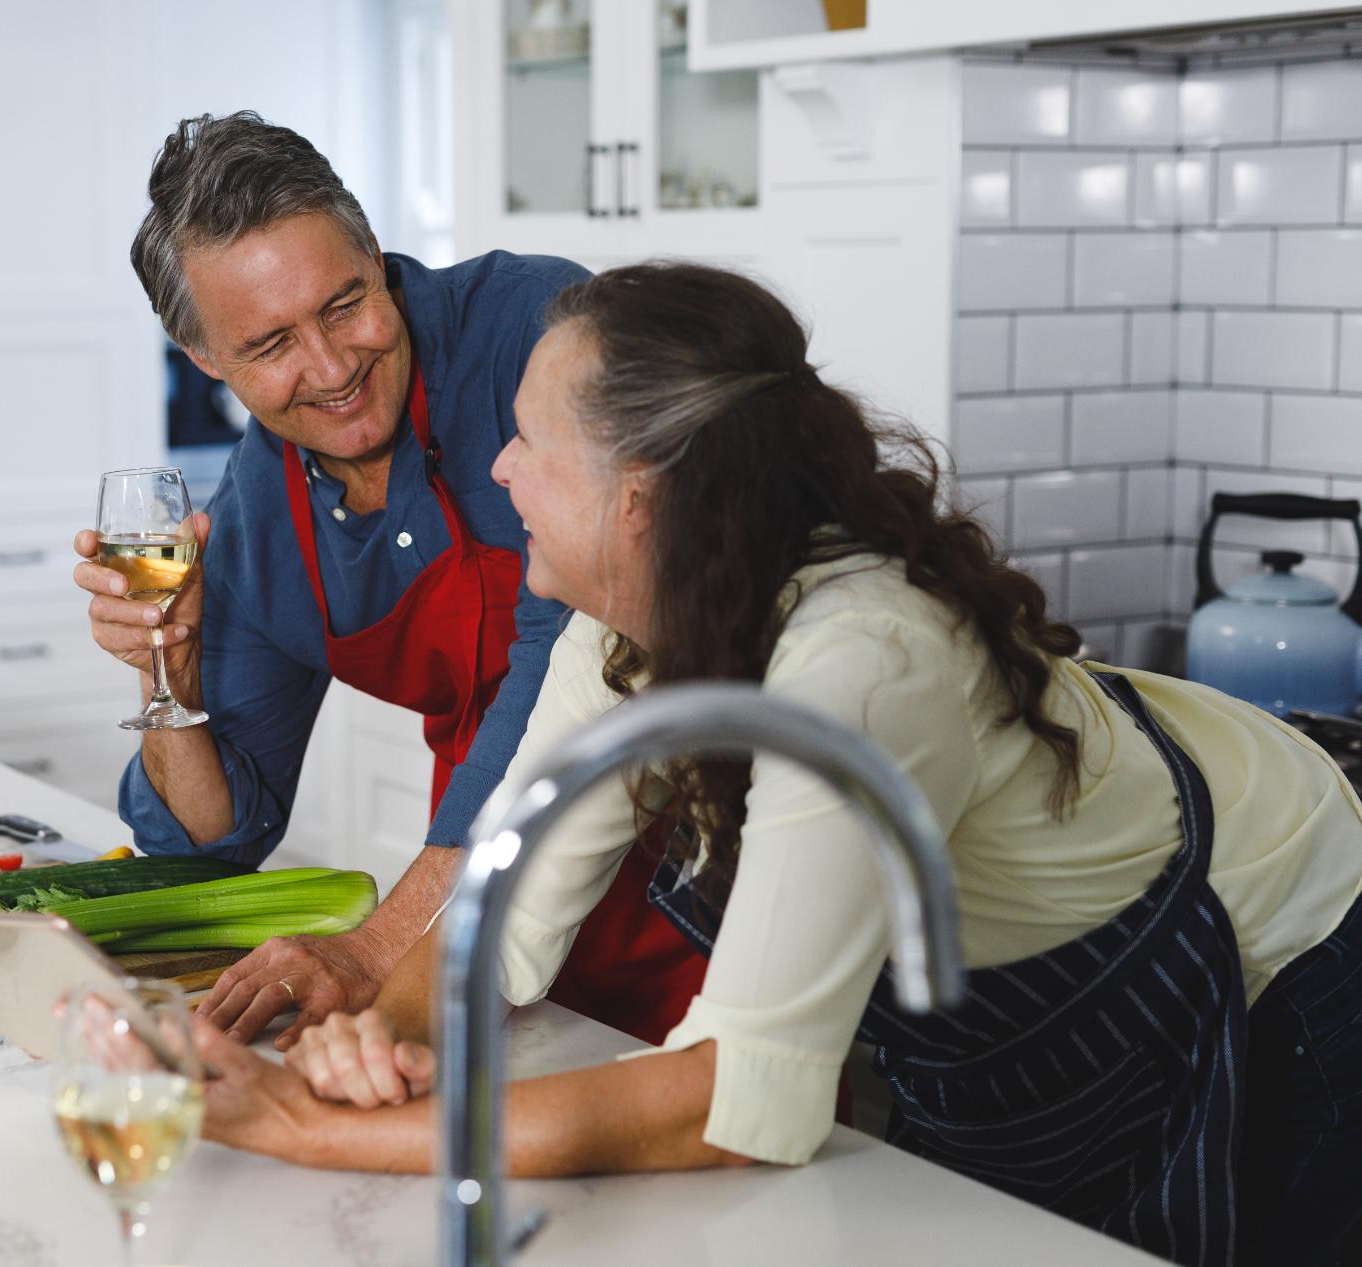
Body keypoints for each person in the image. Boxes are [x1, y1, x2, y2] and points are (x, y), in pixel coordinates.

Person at [192, 262, 1362, 1267]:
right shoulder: (623, 618)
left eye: (530, 442)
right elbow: (498, 921)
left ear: (636, 498)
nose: (497, 471)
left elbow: (737, 1104)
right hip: (1030, 1000)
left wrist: (308, 1130)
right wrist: (379, 1041)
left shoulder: (864, 662)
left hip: (1274, 933)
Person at [74, 112, 708, 1048]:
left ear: (375, 251)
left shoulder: (536, 335)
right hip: (475, 938)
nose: (332, 369)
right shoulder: (255, 516)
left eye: (343, 304)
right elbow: (214, 840)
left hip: (691, 878)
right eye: (270, 346)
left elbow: (573, 658)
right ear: (206, 359)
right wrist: (167, 667)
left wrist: (376, 948)